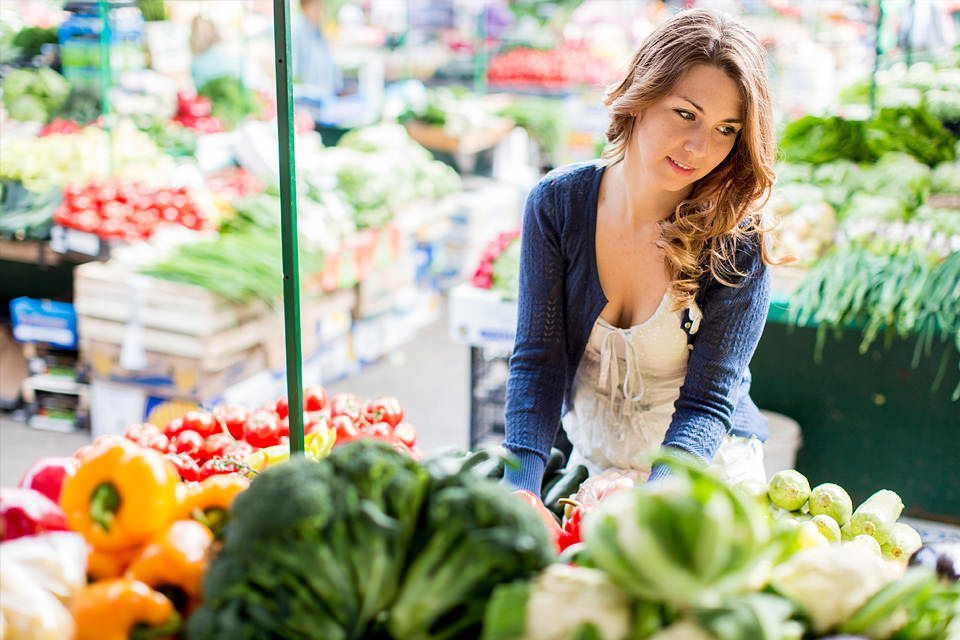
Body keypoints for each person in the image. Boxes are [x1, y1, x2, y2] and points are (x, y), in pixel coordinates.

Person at [503, 9, 779, 496]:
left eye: (726, 129)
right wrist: (521, 489)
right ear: (641, 96)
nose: (698, 147)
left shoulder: (736, 242)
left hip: (703, 478)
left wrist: (652, 502)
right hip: (596, 468)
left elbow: (707, 403)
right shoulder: (559, 205)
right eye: (686, 114)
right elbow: (537, 362)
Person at [292, 0, 342, 101]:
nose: (321, 10)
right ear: (305, 6)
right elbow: (293, 74)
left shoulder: (320, 30)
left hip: (326, 99)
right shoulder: (297, 32)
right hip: (308, 103)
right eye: (317, 5)